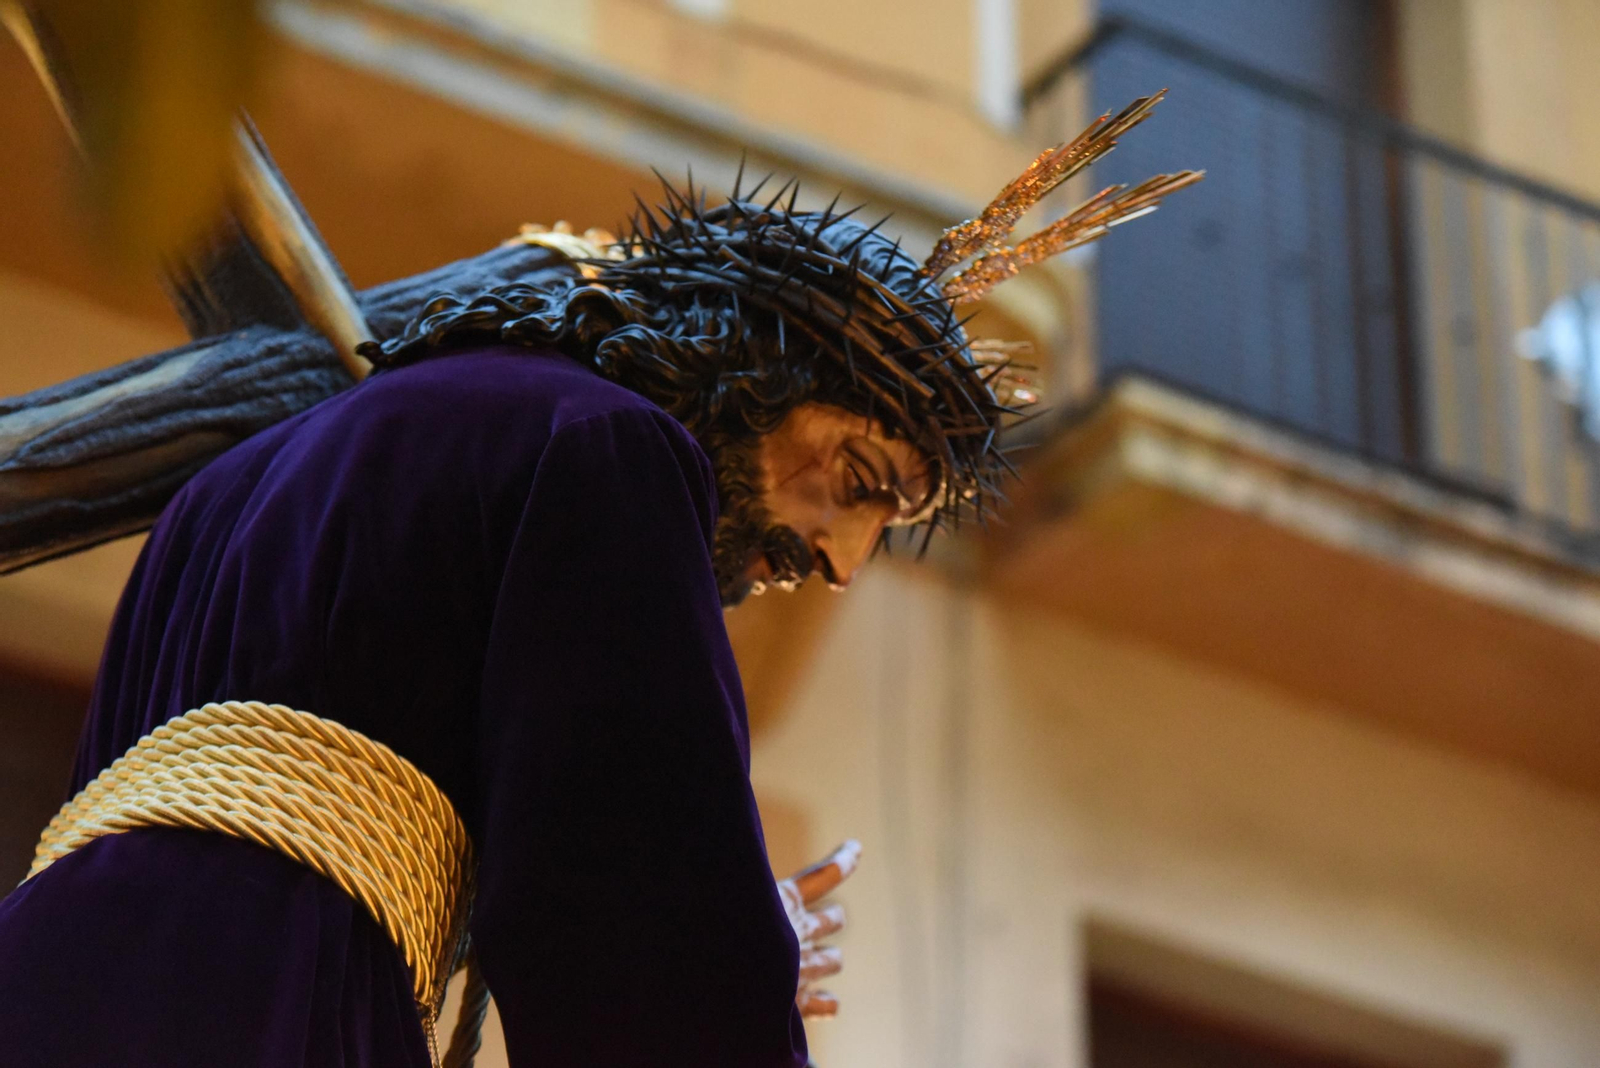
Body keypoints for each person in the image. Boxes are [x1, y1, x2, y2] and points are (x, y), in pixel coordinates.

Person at [0, 99, 1197, 1067]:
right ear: (755, 366)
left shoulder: (230, 485)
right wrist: (731, 952)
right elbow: (623, 934)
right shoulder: (611, 452)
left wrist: (692, 907)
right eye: (857, 476)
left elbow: (427, 826)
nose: (837, 558)